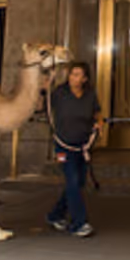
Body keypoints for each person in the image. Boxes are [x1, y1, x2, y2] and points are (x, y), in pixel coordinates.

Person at [47, 61, 103, 238]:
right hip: (63, 146)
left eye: (78, 75)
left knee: (77, 183)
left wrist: (99, 122)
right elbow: (43, 105)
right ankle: (79, 223)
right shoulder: (59, 94)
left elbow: (97, 112)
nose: (74, 78)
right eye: (72, 74)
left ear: (85, 79)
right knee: (72, 180)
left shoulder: (90, 95)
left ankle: (55, 215)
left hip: (83, 146)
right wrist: (44, 87)